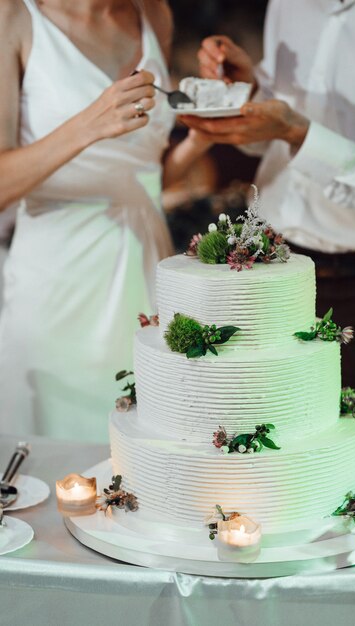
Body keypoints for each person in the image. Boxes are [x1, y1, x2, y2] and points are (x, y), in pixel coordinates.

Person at [182, 0, 355, 447]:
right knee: (255, 457)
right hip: (267, 269)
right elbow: (273, 139)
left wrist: (299, 134)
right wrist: (250, 91)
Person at [0, 0, 211, 442]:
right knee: (56, 453)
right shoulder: (14, 17)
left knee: (152, 449)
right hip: (59, 285)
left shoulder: (154, 14)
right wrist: (86, 126)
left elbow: (141, 177)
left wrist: (198, 142)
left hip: (148, 269)